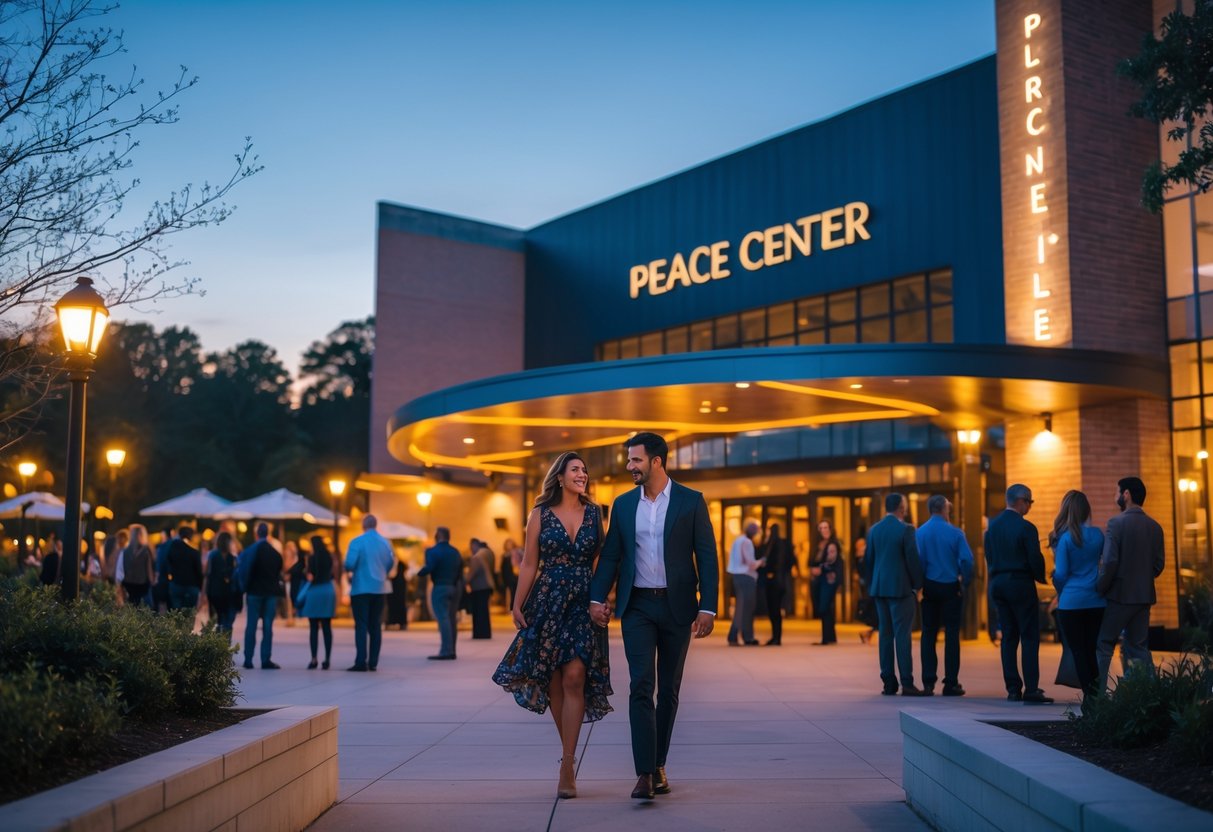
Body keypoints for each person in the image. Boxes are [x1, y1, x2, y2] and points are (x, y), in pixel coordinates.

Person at [590, 432, 718, 801]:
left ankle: (659, 762)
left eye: (635, 460)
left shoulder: (691, 502)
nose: (629, 466)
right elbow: (612, 555)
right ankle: (645, 773)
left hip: (678, 607)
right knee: (641, 685)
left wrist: (707, 606)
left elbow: (706, 557)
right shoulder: (624, 504)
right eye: (629, 460)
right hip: (638, 607)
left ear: (656, 462)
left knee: (670, 691)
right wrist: (597, 597)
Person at [493, 452, 613, 800]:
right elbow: (530, 563)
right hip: (547, 601)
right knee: (555, 680)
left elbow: (601, 562)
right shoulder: (539, 514)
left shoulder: (594, 514)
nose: (582, 474)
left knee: (576, 675)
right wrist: (517, 603)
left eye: (584, 470)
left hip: (581, 602)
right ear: (559, 477)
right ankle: (568, 760)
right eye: (575, 469)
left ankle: (567, 763)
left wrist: (602, 599)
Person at [1095, 476, 1165, 694]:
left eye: (1117, 492)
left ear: (1126, 494)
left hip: (1119, 595)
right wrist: (1142, 577)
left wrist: (1101, 587)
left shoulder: (1116, 523)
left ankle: (1096, 696)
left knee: (1104, 644)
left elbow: (1110, 561)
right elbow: (1158, 565)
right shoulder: (1155, 526)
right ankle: (1143, 694)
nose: (1115, 496)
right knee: (1138, 647)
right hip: (1143, 595)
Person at [985, 484, 1052, 703]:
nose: (1030, 507)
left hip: (999, 583)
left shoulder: (992, 527)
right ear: (1021, 500)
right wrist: (1041, 576)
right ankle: (1031, 688)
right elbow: (1034, 558)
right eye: (1029, 502)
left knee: (1008, 637)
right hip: (1020, 583)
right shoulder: (1027, 528)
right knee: (1029, 636)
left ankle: (1013, 688)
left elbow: (989, 557)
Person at [1048, 490, 1105, 706]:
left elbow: (1061, 573)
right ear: (1086, 510)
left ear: (1066, 510)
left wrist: (1060, 589)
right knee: (1091, 649)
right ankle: (1095, 696)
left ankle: (1089, 697)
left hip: (1071, 602)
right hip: (1096, 601)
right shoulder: (1098, 535)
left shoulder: (1065, 540)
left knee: (1078, 650)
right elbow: (1105, 565)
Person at [865, 492, 925, 696]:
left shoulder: (874, 530)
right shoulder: (906, 530)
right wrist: (918, 585)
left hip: (880, 588)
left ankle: (888, 682)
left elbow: (868, 561)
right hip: (900, 589)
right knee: (902, 635)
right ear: (902, 507)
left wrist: (873, 584)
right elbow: (912, 560)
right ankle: (906, 682)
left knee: (885, 634)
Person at [915, 495, 974, 696]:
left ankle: (928, 682)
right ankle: (951, 682)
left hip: (930, 586)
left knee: (928, 633)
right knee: (951, 634)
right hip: (950, 587)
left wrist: (920, 583)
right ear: (945, 509)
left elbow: (918, 562)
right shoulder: (956, 533)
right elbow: (967, 560)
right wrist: (964, 579)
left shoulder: (920, 533)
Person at [344, 514, 396, 672]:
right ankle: (373, 661)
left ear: (363, 525)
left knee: (361, 625)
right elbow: (390, 562)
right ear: (376, 524)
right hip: (379, 588)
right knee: (375, 625)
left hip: (361, 588)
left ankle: (361, 661)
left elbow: (349, 564)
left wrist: (352, 571)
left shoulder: (357, 541)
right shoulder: (386, 543)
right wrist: (381, 573)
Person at [241, 522, 284, 670]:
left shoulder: (249, 551)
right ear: (268, 534)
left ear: (256, 534)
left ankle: (248, 658)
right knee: (267, 626)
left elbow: (244, 571)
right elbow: (279, 571)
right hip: (270, 593)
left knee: (251, 625)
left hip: (254, 592)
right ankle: (265, 659)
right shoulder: (275, 553)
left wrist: (244, 587)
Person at [419, 526, 463, 659]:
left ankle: (446, 651)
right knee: (451, 619)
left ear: (438, 535)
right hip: (454, 587)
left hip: (440, 587)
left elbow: (430, 567)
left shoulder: (432, 551)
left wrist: (419, 572)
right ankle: (452, 650)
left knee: (443, 618)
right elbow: (460, 570)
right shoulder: (455, 552)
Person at [726, 521, 764, 646]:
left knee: (741, 608)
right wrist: (762, 561)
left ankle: (734, 636)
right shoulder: (747, 542)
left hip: (736, 576)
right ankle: (747, 637)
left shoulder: (738, 540)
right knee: (747, 608)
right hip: (746, 577)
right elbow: (751, 563)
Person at [304, 535, 338, 669]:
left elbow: (309, 576)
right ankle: (327, 659)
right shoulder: (329, 557)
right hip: (327, 591)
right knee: (327, 627)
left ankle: (314, 659)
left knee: (313, 628)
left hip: (314, 592)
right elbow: (333, 574)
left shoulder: (312, 559)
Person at [205, 531, 240, 638]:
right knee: (227, 623)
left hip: (215, 592)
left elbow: (208, 575)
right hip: (228, 593)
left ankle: (219, 647)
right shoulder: (232, 558)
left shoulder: (212, 555)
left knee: (218, 621)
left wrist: (205, 594)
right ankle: (225, 646)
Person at [166, 525, 203, 625]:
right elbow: (199, 572)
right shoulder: (194, 552)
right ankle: (187, 636)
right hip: (191, 586)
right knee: (190, 615)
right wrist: (201, 588)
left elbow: (167, 565)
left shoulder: (172, 548)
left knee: (177, 614)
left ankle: (178, 635)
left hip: (176, 584)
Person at [761, 523, 791, 645]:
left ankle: (776, 637)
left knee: (774, 610)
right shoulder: (778, 543)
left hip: (775, 582)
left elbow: (778, 561)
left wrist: (771, 571)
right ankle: (775, 636)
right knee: (774, 610)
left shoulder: (775, 544)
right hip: (778, 581)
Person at [118, 524, 154, 606]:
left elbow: (122, 568)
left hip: (128, 585)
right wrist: (153, 581)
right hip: (142, 586)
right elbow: (149, 572)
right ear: (142, 534)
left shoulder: (125, 551)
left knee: (131, 611)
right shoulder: (146, 550)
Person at [467, 538, 496, 639]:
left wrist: (464, 581)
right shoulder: (489, 553)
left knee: (479, 612)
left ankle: (479, 634)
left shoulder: (477, 557)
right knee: (484, 611)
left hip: (479, 587)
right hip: (487, 586)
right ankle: (485, 633)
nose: (470, 549)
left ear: (474, 545)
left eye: (471, 547)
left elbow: (471, 574)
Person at [810, 520, 839, 619]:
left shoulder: (833, 544)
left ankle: (829, 635)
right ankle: (827, 634)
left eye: (825, 527)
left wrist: (820, 569)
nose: (823, 530)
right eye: (821, 528)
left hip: (828, 579)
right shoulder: (817, 545)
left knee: (825, 608)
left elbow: (831, 561)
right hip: (819, 580)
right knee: (822, 611)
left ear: (830, 529)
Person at [815, 539, 842, 645]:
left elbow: (839, 577)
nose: (831, 553)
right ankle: (828, 637)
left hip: (830, 585)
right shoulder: (823, 563)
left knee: (825, 608)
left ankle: (827, 637)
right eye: (829, 551)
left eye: (833, 551)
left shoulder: (838, 564)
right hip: (823, 584)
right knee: (825, 610)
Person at [853, 537, 878, 644]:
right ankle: (868, 634)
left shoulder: (868, 558)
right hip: (869, 589)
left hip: (872, 588)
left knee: (876, 614)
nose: (861, 548)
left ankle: (867, 634)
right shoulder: (860, 559)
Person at [152, 527, 175, 613]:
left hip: (162, 577)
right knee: (170, 605)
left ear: (164, 534)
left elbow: (159, 562)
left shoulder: (162, 547)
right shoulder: (174, 544)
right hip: (173, 578)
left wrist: (156, 577)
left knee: (158, 603)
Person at [286, 540, 307, 627]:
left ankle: (296, 615)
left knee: (295, 597)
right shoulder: (290, 557)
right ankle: (293, 616)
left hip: (297, 581)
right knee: (292, 597)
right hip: (293, 581)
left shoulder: (300, 557)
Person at [386, 556, 410, 630]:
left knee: (395, 604)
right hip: (399, 586)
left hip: (396, 586)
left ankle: (396, 622)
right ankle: (400, 622)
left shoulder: (392, 562)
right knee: (398, 604)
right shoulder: (400, 563)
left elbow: (391, 575)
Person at [500, 538, 520, 610]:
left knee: (514, 593)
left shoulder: (516, 553)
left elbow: (518, 564)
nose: (508, 546)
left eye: (510, 544)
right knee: (509, 593)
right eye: (507, 544)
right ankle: (509, 607)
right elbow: (502, 567)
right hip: (507, 576)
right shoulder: (504, 555)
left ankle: (513, 608)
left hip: (514, 576)